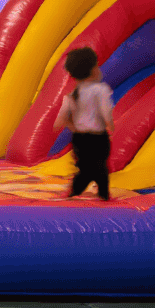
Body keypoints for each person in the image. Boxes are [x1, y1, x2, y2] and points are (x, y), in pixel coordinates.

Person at [54, 47, 115, 201]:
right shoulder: (100, 90)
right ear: (93, 69)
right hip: (98, 138)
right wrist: (110, 125)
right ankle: (102, 196)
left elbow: (60, 120)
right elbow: (105, 111)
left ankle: (76, 192)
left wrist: (73, 127)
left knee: (87, 169)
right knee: (100, 168)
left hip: (79, 140)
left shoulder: (71, 95)